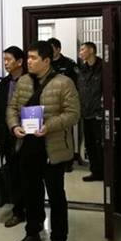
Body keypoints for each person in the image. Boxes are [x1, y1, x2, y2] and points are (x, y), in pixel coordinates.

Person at [7, 41, 80, 241]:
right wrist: (14, 126)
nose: (28, 62)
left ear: (46, 61)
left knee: (56, 195)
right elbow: (12, 108)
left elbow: (73, 114)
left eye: (33, 58)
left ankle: (58, 239)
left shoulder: (64, 83)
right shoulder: (23, 81)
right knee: (31, 193)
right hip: (27, 147)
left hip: (52, 149)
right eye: (28, 57)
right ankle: (33, 232)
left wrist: (49, 126)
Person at [0, 45, 38, 228]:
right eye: (4, 59)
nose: (5, 63)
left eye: (9, 60)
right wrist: (0, 136)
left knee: (28, 175)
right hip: (8, 136)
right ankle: (18, 211)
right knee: (13, 174)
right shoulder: (4, 84)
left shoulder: (31, 81)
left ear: (19, 62)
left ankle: (32, 211)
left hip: (27, 136)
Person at [47, 38, 79, 171]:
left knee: (66, 134)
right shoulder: (46, 63)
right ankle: (53, 160)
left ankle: (68, 162)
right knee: (52, 134)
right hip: (50, 104)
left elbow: (77, 84)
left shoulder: (69, 64)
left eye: (52, 49)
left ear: (58, 49)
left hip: (65, 104)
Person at [77, 41, 104, 182]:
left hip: (99, 113)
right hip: (86, 113)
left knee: (101, 144)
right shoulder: (82, 69)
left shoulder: (103, 67)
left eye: (83, 49)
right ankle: (96, 172)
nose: (80, 52)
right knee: (90, 144)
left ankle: (106, 173)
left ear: (91, 50)